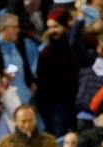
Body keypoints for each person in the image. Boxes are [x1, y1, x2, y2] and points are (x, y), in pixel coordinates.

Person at [35, 8, 78, 137]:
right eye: (50, 27)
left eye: (56, 26)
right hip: (56, 105)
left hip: (76, 101)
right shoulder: (46, 53)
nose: (53, 31)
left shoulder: (76, 48)